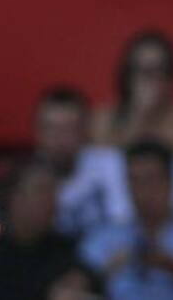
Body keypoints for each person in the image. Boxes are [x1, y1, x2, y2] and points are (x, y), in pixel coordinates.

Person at [0, 162, 79, 299]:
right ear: (15, 197)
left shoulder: (66, 251)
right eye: (41, 191)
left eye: (53, 193)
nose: (51, 201)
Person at [81, 140, 173, 300]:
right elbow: (77, 283)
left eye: (151, 179)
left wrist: (167, 265)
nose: (143, 190)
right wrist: (102, 275)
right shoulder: (105, 236)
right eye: (135, 180)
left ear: (169, 181)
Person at [32, 87, 131, 237]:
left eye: (67, 129)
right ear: (38, 132)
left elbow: (122, 222)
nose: (59, 139)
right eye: (51, 128)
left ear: (85, 130)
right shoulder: (26, 177)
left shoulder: (111, 164)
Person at [92, 30, 173, 148]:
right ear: (127, 76)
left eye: (159, 70)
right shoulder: (104, 119)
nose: (151, 80)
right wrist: (138, 116)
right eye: (144, 71)